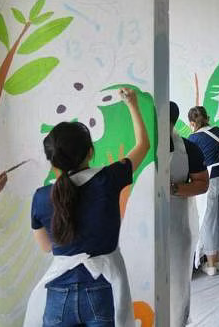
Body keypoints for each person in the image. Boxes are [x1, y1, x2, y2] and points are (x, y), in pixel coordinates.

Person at [26, 87, 149, 326]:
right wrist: (132, 104)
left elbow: (45, 246)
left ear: (53, 161)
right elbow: (143, 145)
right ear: (90, 151)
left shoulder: (41, 197)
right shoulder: (108, 179)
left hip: (58, 291)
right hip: (103, 287)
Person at [168, 102, 209, 326]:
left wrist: (173, 188)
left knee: (177, 286)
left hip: (177, 227)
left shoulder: (188, 148)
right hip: (143, 232)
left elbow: (202, 184)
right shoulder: (140, 147)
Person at [188, 106, 219, 276]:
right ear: (207, 117)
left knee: (208, 221)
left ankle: (211, 264)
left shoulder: (193, 138)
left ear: (192, 123)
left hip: (209, 180)